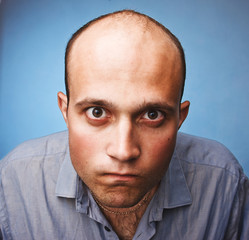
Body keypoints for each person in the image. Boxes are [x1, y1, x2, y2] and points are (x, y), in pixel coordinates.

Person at [0, 10, 248, 240]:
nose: (124, 151)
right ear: (65, 110)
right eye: (97, 112)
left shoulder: (224, 182)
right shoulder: (13, 183)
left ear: (179, 117)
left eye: (152, 115)